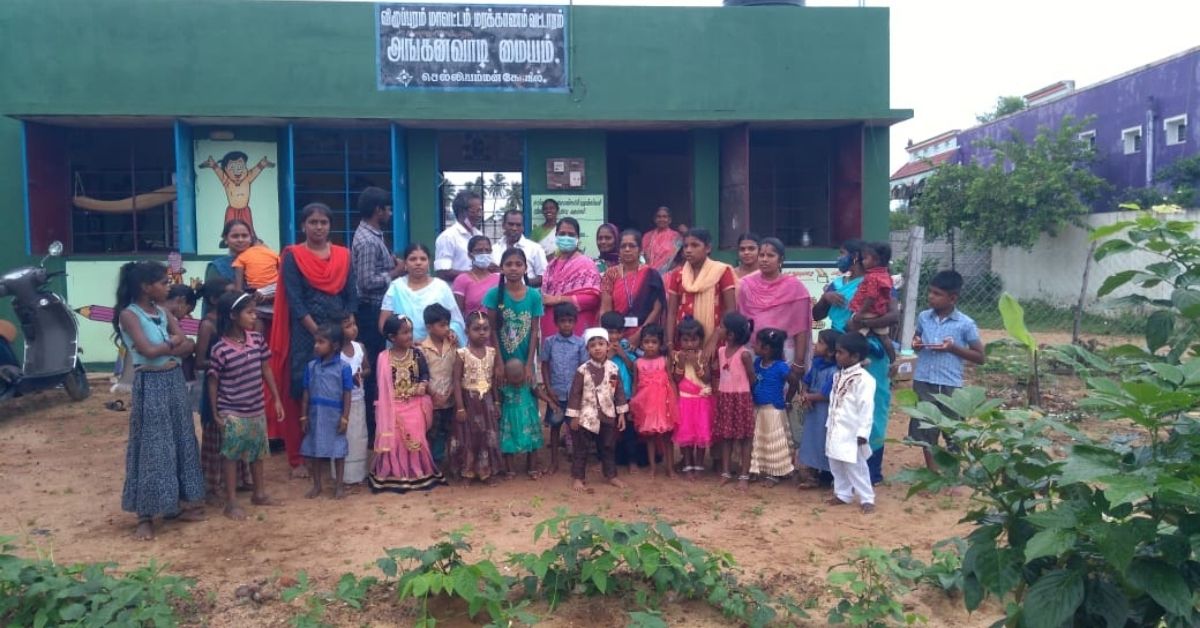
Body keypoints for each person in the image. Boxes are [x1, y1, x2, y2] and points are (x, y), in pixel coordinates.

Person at [114, 261, 204, 540]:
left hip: (174, 380)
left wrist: (171, 346)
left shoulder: (163, 312)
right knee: (153, 446)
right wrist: (173, 344)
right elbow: (149, 351)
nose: (168, 286)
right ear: (145, 286)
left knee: (181, 440)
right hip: (150, 383)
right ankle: (145, 515)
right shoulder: (130, 315)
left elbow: (189, 343)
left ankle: (174, 505)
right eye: (163, 282)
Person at [269, 202, 357, 478]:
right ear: (303, 226)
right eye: (313, 222)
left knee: (337, 388)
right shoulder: (293, 257)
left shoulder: (344, 256)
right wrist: (319, 334)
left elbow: (351, 294)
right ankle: (302, 456)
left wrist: (342, 330)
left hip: (338, 330)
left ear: (331, 226)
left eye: (324, 222)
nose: (319, 227)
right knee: (303, 389)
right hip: (306, 336)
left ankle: (336, 451)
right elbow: (295, 300)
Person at [812, 239, 899, 485]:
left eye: (842, 253)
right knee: (839, 408)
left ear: (856, 257)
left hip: (869, 351)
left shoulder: (878, 282)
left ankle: (871, 470)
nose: (839, 258)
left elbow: (893, 316)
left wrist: (861, 324)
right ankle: (835, 471)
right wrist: (826, 297)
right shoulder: (836, 284)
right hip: (838, 352)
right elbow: (816, 315)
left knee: (871, 406)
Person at [207, 292, 285, 519]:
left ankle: (259, 493)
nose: (254, 317)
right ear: (233, 316)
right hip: (232, 409)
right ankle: (231, 502)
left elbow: (266, 369)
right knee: (231, 455)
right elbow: (213, 382)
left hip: (256, 407)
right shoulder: (220, 348)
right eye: (249, 312)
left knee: (257, 452)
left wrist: (276, 398)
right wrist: (216, 413)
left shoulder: (257, 340)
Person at [910, 270, 985, 474]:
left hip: (950, 384)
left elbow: (980, 356)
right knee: (925, 427)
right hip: (923, 380)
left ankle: (954, 474)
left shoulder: (965, 324)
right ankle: (932, 472)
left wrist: (953, 349)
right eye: (930, 292)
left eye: (937, 294)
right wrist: (916, 344)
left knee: (953, 431)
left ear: (952, 298)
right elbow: (916, 341)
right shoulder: (924, 317)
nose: (931, 297)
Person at [352, 186, 404, 448]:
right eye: (388, 208)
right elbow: (366, 281)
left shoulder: (373, 235)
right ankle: (374, 430)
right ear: (378, 210)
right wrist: (396, 271)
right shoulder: (368, 241)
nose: (391, 213)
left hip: (375, 309)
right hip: (371, 311)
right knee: (373, 367)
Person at [370, 314, 445, 493]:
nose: (409, 336)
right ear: (391, 337)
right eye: (404, 333)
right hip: (392, 406)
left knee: (416, 437)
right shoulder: (383, 357)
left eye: (410, 332)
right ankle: (394, 474)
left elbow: (425, 374)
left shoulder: (417, 353)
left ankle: (416, 473)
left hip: (414, 403)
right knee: (394, 439)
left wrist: (422, 385)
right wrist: (382, 408)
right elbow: (379, 386)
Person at [195, 277, 249, 500]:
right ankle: (213, 484)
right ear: (215, 299)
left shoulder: (233, 323)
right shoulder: (208, 324)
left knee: (236, 432)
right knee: (217, 434)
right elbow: (200, 361)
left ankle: (238, 480)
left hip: (236, 387)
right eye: (228, 294)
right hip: (216, 389)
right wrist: (226, 361)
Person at [566, 328, 630, 492]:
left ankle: (611, 476)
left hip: (607, 415)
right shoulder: (582, 370)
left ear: (608, 346)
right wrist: (574, 417)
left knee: (608, 447)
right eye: (592, 345)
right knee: (581, 449)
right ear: (587, 349)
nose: (597, 348)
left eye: (601, 344)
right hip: (586, 417)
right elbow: (575, 394)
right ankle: (578, 478)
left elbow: (617, 391)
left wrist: (621, 413)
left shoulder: (613, 369)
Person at [737, 237, 812, 371]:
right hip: (752, 352)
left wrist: (799, 363)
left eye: (770, 255)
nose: (764, 259)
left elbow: (801, 329)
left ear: (781, 260)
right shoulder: (745, 284)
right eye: (762, 255)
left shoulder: (795, 287)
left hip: (783, 354)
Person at [299, 323, 354, 499]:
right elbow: (306, 392)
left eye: (321, 342)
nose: (316, 346)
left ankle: (339, 485)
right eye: (316, 342)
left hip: (334, 414)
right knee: (315, 449)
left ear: (335, 345)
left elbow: (347, 394)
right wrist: (303, 415)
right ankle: (317, 485)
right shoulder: (311, 367)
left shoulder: (344, 368)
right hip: (316, 413)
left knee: (338, 450)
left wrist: (345, 417)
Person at [665, 228, 736, 362]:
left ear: (708, 248)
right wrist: (669, 343)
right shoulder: (677, 275)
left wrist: (714, 340)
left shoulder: (722, 271)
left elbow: (730, 310)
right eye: (685, 246)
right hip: (684, 340)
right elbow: (672, 312)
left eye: (695, 245)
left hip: (716, 339)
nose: (688, 250)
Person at [452, 312, 504, 484]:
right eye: (476, 329)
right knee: (468, 437)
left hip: (487, 400)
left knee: (487, 436)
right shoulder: (462, 353)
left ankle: (486, 471)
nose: (482, 333)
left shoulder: (492, 352)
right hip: (469, 400)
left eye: (485, 329)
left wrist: (496, 402)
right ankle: (467, 472)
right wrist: (460, 407)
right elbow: (456, 381)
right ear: (467, 331)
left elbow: (494, 381)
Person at [826, 333, 876, 514]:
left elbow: (866, 408)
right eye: (837, 352)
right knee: (836, 462)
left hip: (852, 430)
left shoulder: (864, 379)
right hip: (835, 427)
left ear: (855, 356)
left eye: (841, 353)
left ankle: (867, 497)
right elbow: (834, 401)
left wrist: (863, 433)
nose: (836, 356)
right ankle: (842, 493)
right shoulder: (837, 375)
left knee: (855, 465)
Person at [380, 243, 466, 347]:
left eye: (423, 259)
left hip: (438, 352)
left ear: (429, 262)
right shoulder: (396, 288)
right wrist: (407, 341)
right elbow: (383, 325)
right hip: (403, 351)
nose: (418, 263)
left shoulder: (441, 287)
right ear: (405, 263)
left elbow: (456, 321)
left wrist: (450, 331)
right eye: (413, 259)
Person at [540, 302, 587, 476]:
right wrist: (548, 387)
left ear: (575, 322)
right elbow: (544, 365)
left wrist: (580, 391)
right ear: (556, 322)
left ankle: (577, 463)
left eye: (569, 321)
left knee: (575, 428)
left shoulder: (580, 343)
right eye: (562, 321)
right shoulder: (549, 342)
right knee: (554, 427)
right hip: (556, 393)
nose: (566, 324)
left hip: (574, 395)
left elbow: (583, 368)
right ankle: (554, 462)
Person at [483, 248, 543, 383]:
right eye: (509, 264)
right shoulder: (493, 295)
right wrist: (499, 363)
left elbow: (534, 331)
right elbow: (492, 330)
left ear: (526, 268)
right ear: (502, 268)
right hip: (502, 357)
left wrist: (529, 365)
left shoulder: (534, 296)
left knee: (527, 398)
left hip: (525, 358)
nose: (513, 268)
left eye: (518, 264)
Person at [599, 228, 665, 347]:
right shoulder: (611, 274)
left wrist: (639, 335)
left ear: (640, 249)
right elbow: (606, 310)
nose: (627, 249)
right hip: (616, 337)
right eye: (623, 246)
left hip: (647, 339)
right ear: (619, 250)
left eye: (632, 246)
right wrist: (610, 337)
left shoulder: (651, 274)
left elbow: (657, 309)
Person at [749, 328, 797, 486]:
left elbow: (794, 381)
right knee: (758, 439)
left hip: (773, 410)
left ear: (767, 349)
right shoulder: (757, 363)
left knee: (773, 441)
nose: (754, 346)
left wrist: (788, 400)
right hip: (758, 408)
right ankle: (757, 468)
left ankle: (775, 473)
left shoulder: (781, 366)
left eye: (757, 344)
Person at [541, 217, 602, 339]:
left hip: (577, 327)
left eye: (571, 234)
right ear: (556, 236)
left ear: (578, 238)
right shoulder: (551, 265)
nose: (566, 237)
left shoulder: (586, 263)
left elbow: (592, 299)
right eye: (562, 234)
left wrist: (557, 299)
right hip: (551, 326)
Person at [629, 323, 677, 478]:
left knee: (667, 437)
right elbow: (635, 384)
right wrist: (633, 404)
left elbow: (670, 380)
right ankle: (653, 468)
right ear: (641, 343)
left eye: (654, 342)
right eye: (646, 342)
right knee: (649, 437)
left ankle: (670, 468)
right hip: (646, 406)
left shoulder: (664, 361)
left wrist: (675, 401)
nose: (650, 346)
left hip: (664, 405)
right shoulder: (638, 363)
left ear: (660, 344)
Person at [797, 329, 841, 489]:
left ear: (830, 352)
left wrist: (808, 397)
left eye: (821, 343)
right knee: (812, 440)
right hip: (813, 411)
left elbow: (827, 394)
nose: (816, 345)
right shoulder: (816, 364)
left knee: (824, 440)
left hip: (825, 411)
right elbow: (806, 380)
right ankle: (812, 473)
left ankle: (828, 474)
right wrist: (804, 392)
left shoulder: (835, 372)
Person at [716, 312, 756, 488]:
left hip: (741, 398)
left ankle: (744, 475)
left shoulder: (745, 354)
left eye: (722, 327)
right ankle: (726, 472)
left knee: (745, 438)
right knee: (726, 437)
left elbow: (752, 378)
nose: (719, 329)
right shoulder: (721, 351)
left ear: (730, 334)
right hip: (725, 397)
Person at [601, 311, 643, 474]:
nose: (614, 336)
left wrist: (623, 355)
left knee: (629, 430)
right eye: (610, 332)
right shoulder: (598, 346)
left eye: (617, 332)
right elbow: (595, 369)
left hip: (625, 396)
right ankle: (604, 461)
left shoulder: (626, 346)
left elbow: (635, 369)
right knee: (606, 431)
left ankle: (632, 461)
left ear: (622, 332)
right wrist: (609, 355)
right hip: (606, 397)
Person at [672, 318, 713, 481]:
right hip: (685, 401)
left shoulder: (703, 356)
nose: (689, 344)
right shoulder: (678, 356)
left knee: (701, 435)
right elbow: (676, 379)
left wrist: (696, 365)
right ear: (679, 340)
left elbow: (707, 379)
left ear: (700, 340)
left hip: (701, 401)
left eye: (693, 340)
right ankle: (688, 465)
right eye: (685, 340)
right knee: (686, 436)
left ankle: (699, 465)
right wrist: (681, 364)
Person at [420, 304, 459, 468]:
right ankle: (433, 464)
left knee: (450, 431)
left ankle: (450, 463)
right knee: (433, 432)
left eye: (447, 324)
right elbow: (423, 375)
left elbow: (457, 372)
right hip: (432, 400)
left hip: (450, 398)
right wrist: (434, 394)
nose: (446, 328)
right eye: (442, 325)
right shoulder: (422, 349)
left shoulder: (453, 345)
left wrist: (450, 393)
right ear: (429, 327)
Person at [200, 151, 275, 232]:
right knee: (229, 226)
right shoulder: (227, 181)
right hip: (232, 210)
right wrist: (213, 164)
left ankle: (252, 238)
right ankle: (226, 239)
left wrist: (262, 164)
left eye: (240, 167)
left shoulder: (247, 178)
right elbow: (219, 172)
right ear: (225, 169)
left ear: (245, 168)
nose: (237, 171)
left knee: (248, 226)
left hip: (244, 209)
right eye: (232, 168)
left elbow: (255, 170)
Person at [848, 241, 897, 362]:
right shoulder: (885, 275)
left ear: (876, 261)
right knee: (884, 338)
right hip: (880, 311)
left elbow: (871, 296)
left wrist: (860, 314)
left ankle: (863, 358)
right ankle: (893, 360)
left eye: (865, 258)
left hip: (868, 311)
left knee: (854, 334)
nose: (862, 261)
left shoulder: (871, 277)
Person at [499, 358, 547, 478]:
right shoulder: (503, 385)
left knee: (532, 443)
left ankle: (532, 468)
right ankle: (510, 470)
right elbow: (498, 398)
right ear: (506, 376)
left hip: (528, 418)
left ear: (524, 372)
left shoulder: (528, 382)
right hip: (509, 418)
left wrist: (549, 401)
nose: (517, 381)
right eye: (513, 378)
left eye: (519, 377)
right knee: (508, 444)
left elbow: (538, 392)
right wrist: (496, 407)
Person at [338, 312, 370, 485]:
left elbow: (367, 369)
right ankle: (343, 476)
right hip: (341, 403)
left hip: (359, 399)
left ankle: (359, 474)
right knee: (344, 435)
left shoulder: (360, 347)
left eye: (354, 324)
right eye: (348, 326)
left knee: (359, 435)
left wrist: (360, 374)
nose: (354, 328)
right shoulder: (336, 352)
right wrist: (347, 378)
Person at [434, 190, 485, 282]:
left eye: (480, 211)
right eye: (474, 211)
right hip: (455, 293)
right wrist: (473, 275)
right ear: (462, 211)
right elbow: (442, 272)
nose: (479, 215)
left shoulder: (479, 235)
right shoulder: (448, 237)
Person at [452, 235, 500, 317]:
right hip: (472, 327)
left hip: (495, 327)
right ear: (470, 255)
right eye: (479, 251)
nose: (484, 254)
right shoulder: (462, 280)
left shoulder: (498, 279)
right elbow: (458, 314)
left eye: (487, 250)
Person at [500, 208, 549, 287]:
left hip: (527, 296)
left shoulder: (535, 249)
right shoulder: (494, 249)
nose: (514, 228)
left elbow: (544, 277)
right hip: (500, 296)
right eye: (511, 224)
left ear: (523, 227)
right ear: (503, 225)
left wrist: (519, 285)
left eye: (518, 225)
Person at [642, 206, 683, 276]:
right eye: (659, 217)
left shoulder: (676, 237)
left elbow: (678, 258)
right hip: (649, 274)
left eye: (664, 217)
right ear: (655, 219)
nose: (661, 219)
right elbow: (642, 257)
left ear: (669, 220)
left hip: (669, 274)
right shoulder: (647, 236)